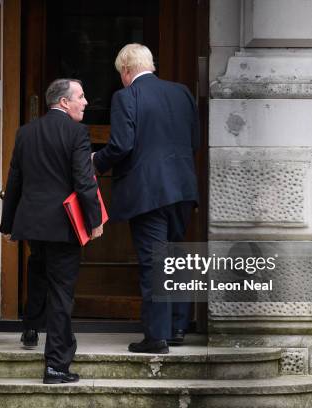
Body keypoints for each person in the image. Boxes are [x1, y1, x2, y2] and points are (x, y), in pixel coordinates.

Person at [92, 43, 200, 354]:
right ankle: (178, 327)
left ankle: (156, 337)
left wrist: (95, 162)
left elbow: (121, 144)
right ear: (149, 65)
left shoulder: (126, 96)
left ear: (125, 70)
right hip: (182, 188)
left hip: (148, 191)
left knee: (155, 262)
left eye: (120, 73)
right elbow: (194, 140)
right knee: (177, 258)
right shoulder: (181, 93)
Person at [0, 78, 103, 383]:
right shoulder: (77, 133)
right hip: (64, 224)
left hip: (33, 224)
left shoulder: (25, 132)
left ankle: (33, 328)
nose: (85, 102)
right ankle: (57, 365)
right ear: (63, 102)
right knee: (61, 293)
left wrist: (8, 224)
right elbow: (85, 182)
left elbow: (14, 181)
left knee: (40, 273)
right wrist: (95, 221)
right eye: (80, 97)